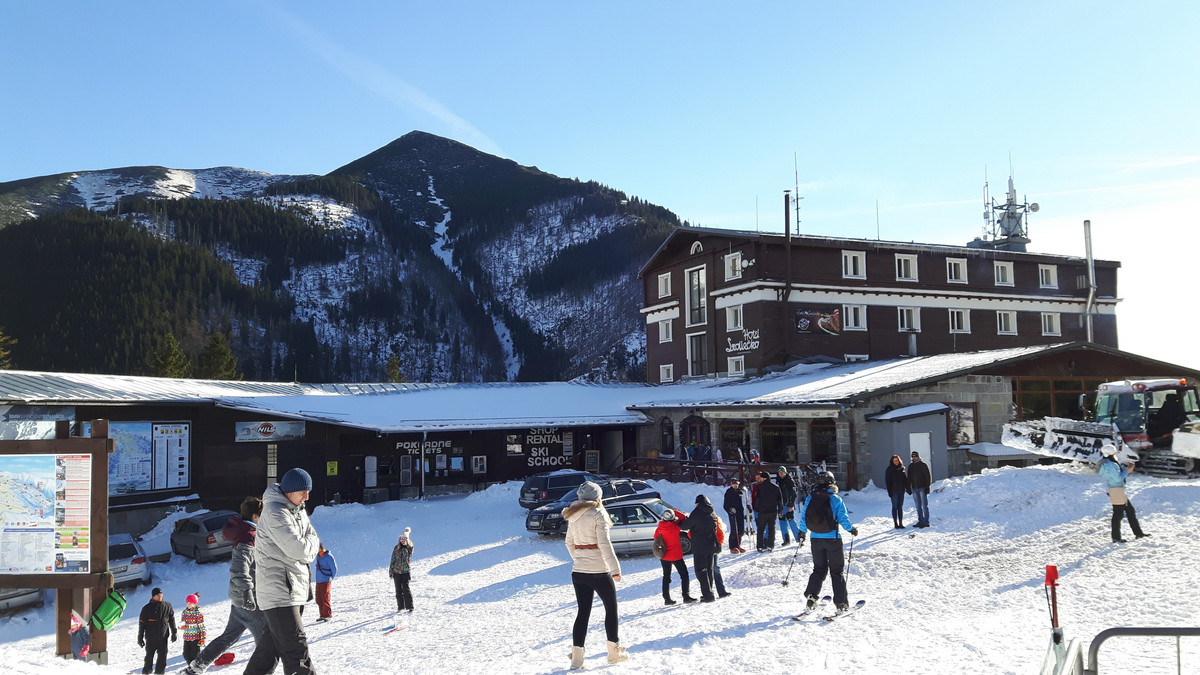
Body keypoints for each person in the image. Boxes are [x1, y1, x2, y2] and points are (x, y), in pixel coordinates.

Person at [244, 467, 321, 675]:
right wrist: (310, 543)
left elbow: (312, 538)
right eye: (303, 492)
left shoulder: (298, 510)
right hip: (279, 592)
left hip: (291, 589)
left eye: (308, 492)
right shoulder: (275, 512)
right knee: (297, 652)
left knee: (268, 652)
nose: (307, 497)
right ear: (289, 491)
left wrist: (309, 543)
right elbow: (299, 549)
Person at [185, 496, 268, 675]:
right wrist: (247, 592)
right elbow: (239, 568)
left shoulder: (247, 532)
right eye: (264, 515)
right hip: (249, 600)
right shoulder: (248, 537)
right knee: (267, 644)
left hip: (240, 599)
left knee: (229, 637)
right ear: (255, 516)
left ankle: (195, 668)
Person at [563, 481, 629, 669]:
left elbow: (568, 543)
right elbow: (604, 544)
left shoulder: (572, 515)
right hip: (599, 571)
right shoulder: (598, 514)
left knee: (583, 612)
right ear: (598, 498)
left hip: (579, 572)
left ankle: (577, 659)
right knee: (611, 609)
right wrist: (615, 569)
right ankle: (614, 653)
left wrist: (580, 558)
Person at [798, 471, 858, 614]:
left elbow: (804, 516)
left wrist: (802, 532)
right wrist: (851, 529)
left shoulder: (810, 498)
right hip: (832, 539)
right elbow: (843, 518)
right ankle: (841, 604)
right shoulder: (835, 499)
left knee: (819, 569)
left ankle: (811, 598)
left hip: (815, 539)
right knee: (836, 572)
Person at [1098, 444, 1149, 543]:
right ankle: (1117, 537)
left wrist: (1123, 466)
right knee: (1119, 514)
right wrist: (1127, 471)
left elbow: (1113, 475)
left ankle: (1138, 533)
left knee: (1129, 511)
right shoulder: (1112, 464)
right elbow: (1117, 478)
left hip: (1113, 490)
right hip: (1117, 490)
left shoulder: (1105, 463)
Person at [678, 494, 720, 602]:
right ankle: (709, 592)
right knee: (709, 570)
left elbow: (685, 526)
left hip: (700, 546)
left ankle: (708, 595)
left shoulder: (697, 512)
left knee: (701, 571)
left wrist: (680, 521)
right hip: (711, 545)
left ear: (698, 503)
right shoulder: (712, 512)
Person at [652, 507, 694, 605]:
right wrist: (674, 511)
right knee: (684, 575)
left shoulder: (660, 527)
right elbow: (683, 518)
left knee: (666, 576)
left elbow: (655, 537)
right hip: (676, 556)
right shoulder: (675, 526)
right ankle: (686, 596)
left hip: (664, 556)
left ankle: (667, 598)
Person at [137, 587, 177, 675]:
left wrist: (174, 632)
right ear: (153, 596)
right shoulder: (146, 608)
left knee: (162, 657)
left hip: (163, 636)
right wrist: (140, 638)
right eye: (158, 595)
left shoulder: (167, 606)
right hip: (151, 637)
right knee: (149, 656)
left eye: (161, 594)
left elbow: (172, 620)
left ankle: (159, 673)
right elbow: (142, 624)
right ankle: (146, 672)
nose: (160, 596)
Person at [752, 471, 782, 551]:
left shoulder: (760, 487)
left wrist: (757, 508)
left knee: (761, 529)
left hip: (763, 511)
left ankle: (760, 546)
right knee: (771, 528)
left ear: (764, 478)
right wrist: (780, 510)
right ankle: (770, 545)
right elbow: (779, 500)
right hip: (773, 511)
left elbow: (757, 499)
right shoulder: (776, 487)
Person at [389, 527, 415, 613]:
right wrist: (391, 572)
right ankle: (400, 607)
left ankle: (410, 606)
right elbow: (392, 560)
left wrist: (407, 536)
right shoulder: (396, 548)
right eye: (401, 538)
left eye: (404, 538)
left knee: (406, 589)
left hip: (405, 571)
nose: (402, 540)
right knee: (398, 590)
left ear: (407, 539)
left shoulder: (408, 548)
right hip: (396, 571)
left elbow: (411, 548)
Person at [776, 467, 801, 545]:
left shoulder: (789, 481)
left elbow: (794, 495)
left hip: (788, 505)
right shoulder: (778, 481)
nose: (781, 473)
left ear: (785, 472)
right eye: (779, 472)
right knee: (782, 522)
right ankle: (786, 540)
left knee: (791, 521)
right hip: (780, 505)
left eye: (782, 472)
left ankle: (799, 538)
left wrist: (791, 505)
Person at [313, 542, 337, 622]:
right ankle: (322, 615)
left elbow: (334, 569)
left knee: (325, 597)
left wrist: (330, 578)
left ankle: (327, 615)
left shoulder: (328, 557)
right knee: (319, 598)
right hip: (318, 580)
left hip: (326, 580)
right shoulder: (318, 556)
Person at [885, 454, 910, 529]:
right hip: (894, 491)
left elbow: (905, 479)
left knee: (900, 507)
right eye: (894, 461)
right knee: (895, 506)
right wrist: (889, 492)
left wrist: (908, 488)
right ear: (892, 461)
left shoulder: (902, 468)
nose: (896, 462)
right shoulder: (889, 469)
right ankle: (895, 523)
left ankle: (901, 523)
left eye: (897, 461)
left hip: (901, 490)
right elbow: (888, 482)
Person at [908, 451, 932, 528]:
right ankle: (920, 521)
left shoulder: (923, 465)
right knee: (918, 506)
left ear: (918, 457)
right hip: (914, 489)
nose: (914, 458)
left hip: (922, 488)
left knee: (924, 506)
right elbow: (909, 478)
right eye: (913, 456)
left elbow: (927, 477)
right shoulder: (911, 466)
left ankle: (926, 522)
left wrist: (927, 487)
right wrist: (908, 487)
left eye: (915, 456)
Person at [180, 594, 206, 664]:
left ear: (194, 603)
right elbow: (183, 622)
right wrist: (182, 626)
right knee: (186, 654)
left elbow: (201, 626)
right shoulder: (185, 612)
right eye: (187, 603)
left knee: (194, 655)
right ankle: (191, 666)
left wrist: (202, 638)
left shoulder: (198, 613)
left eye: (190, 603)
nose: (188, 604)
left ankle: (194, 667)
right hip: (187, 637)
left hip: (195, 637)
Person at [723, 478, 747, 553]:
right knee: (734, 530)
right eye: (734, 484)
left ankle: (738, 545)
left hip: (740, 512)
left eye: (737, 483)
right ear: (731, 484)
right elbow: (725, 505)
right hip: (733, 513)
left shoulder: (739, 491)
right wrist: (730, 509)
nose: (735, 485)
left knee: (741, 530)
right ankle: (732, 546)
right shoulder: (729, 492)